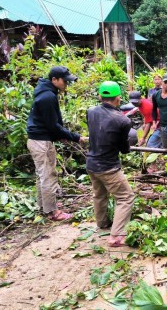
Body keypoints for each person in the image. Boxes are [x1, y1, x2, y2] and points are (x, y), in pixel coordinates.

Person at [26, 66, 87, 221]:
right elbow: (53, 125)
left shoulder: (47, 92)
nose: (66, 84)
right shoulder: (48, 97)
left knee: (42, 175)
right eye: (64, 81)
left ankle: (44, 208)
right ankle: (52, 212)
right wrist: (75, 137)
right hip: (41, 141)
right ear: (54, 80)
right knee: (47, 176)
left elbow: (50, 123)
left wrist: (60, 136)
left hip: (39, 138)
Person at [86, 81, 135, 247]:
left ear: (100, 96)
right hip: (108, 167)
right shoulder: (122, 121)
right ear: (119, 98)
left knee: (99, 194)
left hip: (91, 164)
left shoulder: (91, 111)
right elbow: (124, 149)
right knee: (126, 197)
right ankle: (117, 236)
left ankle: (102, 223)